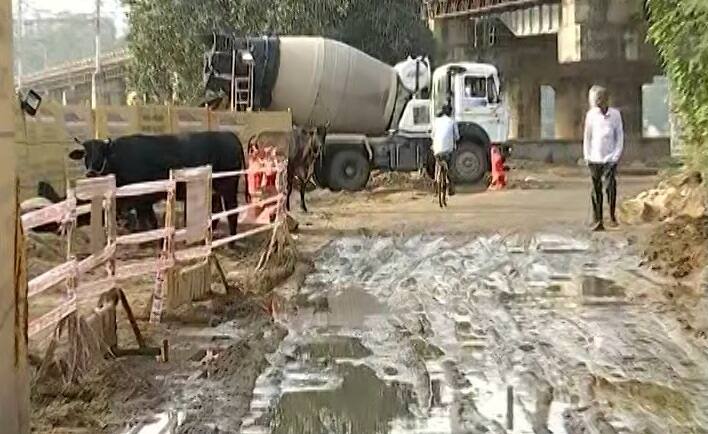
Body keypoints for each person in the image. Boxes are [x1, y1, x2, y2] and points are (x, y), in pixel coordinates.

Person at [583, 85, 624, 231]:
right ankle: (597, 219)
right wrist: (587, 156)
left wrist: (616, 156)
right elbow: (587, 137)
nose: (599, 101)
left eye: (601, 98)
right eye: (597, 99)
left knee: (610, 187)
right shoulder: (591, 115)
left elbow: (619, 137)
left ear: (607, 100)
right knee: (596, 189)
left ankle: (612, 215)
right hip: (594, 158)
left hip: (610, 158)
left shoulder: (615, 115)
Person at [431, 104, 459, 195]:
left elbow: (432, 135)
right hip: (448, 150)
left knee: (437, 163)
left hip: (437, 149)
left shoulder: (436, 121)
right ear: (450, 112)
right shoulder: (452, 121)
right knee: (450, 166)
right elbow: (457, 137)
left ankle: (435, 182)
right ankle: (450, 187)